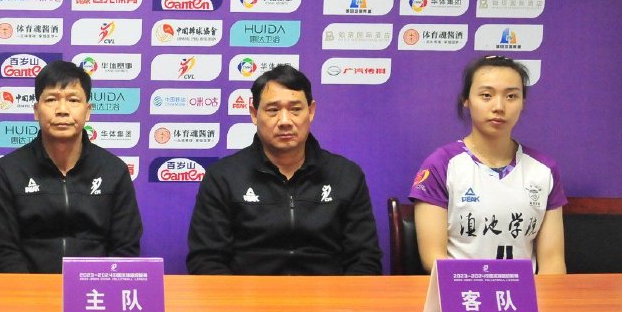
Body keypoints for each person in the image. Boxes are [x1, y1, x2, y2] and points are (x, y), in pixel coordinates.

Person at [187, 64, 382, 275]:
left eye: (295, 109)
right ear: (254, 114)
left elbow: (365, 259)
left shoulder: (346, 175)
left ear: (311, 111)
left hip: (327, 294)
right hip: (248, 294)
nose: (285, 121)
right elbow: (206, 261)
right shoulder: (223, 177)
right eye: (273, 110)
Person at [0, 59, 142, 273]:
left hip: (95, 288)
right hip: (28, 288)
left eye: (73, 100)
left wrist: (94, 285)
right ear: (36, 110)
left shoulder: (113, 170)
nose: (62, 110)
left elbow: (125, 248)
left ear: (87, 111)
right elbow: (1, 250)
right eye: (51, 99)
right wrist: (30, 288)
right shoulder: (8, 171)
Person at [410, 55, 566, 273]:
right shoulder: (440, 165)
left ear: (523, 103)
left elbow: (553, 262)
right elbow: (433, 258)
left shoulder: (543, 170)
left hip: (524, 292)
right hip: (463, 289)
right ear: (466, 100)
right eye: (486, 95)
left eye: (511, 96)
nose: (499, 106)